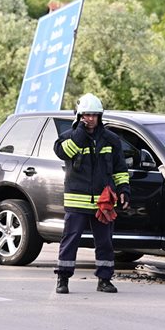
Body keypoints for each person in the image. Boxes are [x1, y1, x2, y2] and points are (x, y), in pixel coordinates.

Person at [53, 93, 130, 294]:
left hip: (103, 202)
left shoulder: (111, 140)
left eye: (94, 115)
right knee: (70, 240)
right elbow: (63, 153)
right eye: (86, 115)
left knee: (105, 242)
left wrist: (124, 191)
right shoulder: (68, 138)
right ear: (79, 116)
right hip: (77, 201)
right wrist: (80, 133)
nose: (90, 119)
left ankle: (104, 279)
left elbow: (120, 169)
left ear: (100, 116)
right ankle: (63, 279)